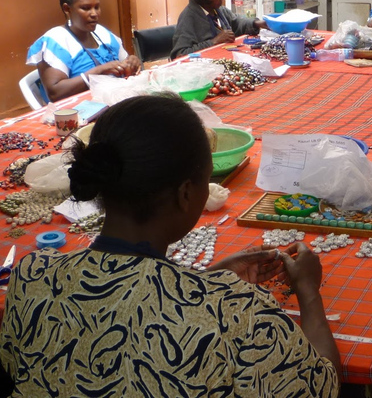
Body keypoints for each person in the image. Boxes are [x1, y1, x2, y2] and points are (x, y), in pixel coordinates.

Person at [0, 95, 340, 396]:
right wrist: (308, 291)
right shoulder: (236, 313)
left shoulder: (32, 277)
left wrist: (207, 280)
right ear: (186, 193)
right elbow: (323, 386)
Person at [27, 0, 141, 102]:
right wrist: (98, 71)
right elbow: (55, 93)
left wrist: (132, 63)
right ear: (67, 9)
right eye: (86, 8)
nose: (94, 14)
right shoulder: (55, 41)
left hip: (117, 101)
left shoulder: (103, 34)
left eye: (97, 7)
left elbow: (125, 65)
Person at [171, 0, 268, 59]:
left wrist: (257, 23)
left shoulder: (217, 9)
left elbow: (236, 22)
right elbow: (180, 54)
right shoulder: (188, 18)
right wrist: (214, 41)